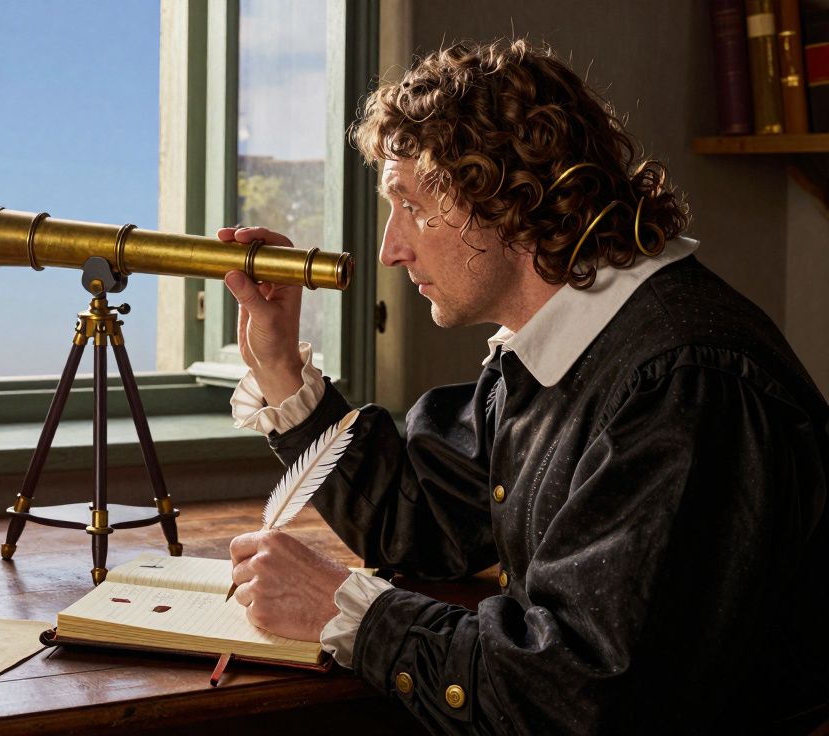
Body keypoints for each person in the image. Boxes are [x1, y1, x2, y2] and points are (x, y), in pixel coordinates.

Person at [219, 38, 828, 734]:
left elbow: (576, 695)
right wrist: (278, 365)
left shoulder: (686, 387)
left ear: (504, 197)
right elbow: (422, 523)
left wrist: (342, 607)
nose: (391, 247)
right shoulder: (564, 347)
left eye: (411, 204)